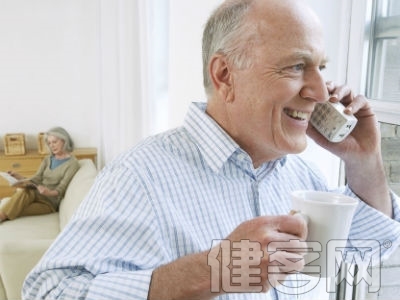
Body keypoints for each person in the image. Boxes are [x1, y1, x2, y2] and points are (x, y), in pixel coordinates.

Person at [23, 0, 400, 299]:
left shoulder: (302, 176)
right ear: (224, 75)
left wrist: (363, 159)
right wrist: (214, 269)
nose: (320, 91)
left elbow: (366, 250)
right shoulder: (139, 178)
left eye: (320, 67)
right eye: (297, 66)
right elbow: (48, 292)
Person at [0, 127, 80, 223]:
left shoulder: (72, 163)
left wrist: (48, 193)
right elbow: (37, 178)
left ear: (64, 141)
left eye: (54, 142)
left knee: (17, 206)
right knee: (18, 203)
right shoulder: (48, 159)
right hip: (36, 194)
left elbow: (61, 189)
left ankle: (1, 215)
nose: (52, 146)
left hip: (50, 203)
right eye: (49, 143)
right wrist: (19, 177)